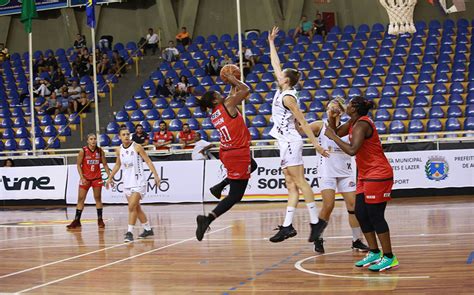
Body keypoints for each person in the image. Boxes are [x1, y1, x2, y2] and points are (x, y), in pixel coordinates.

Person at [267, 27, 329, 244]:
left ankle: (316, 222)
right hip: (285, 142)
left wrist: (316, 146)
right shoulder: (282, 90)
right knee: (291, 185)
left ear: (287, 80)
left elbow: (302, 122)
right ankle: (287, 226)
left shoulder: (289, 98)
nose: (279, 73)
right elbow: (275, 64)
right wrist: (271, 42)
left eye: (282, 74)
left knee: (300, 182)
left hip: (292, 142)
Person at [324, 96, 398, 272]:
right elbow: (336, 131)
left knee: (375, 216)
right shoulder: (353, 121)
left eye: (348, 104)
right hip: (365, 175)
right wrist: (332, 117)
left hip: (378, 174)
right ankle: (374, 251)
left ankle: (389, 257)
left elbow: (352, 150)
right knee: (361, 213)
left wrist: (332, 136)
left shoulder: (362, 124)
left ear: (355, 108)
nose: (346, 106)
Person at [298, 97, 369, 253]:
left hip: (345, 170)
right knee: (328, 206)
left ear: (342, 111)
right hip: (327, 171)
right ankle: (319, 237)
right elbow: (300, 129)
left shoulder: (349, 125)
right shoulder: (319, 125)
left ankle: (357, 240)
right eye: (330, 106)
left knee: (353, 207)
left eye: (336, 107)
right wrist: (295, 115)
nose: (332, 109)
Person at [195, 73, 257, 241]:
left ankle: (220, 185)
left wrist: (232, 82)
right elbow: (245, 89)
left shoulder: (215, 112)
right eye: (217, 94)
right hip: (238, 153)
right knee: (235, 196)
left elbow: (231, 97)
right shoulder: (228, 104)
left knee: (254, 165)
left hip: (226, 152)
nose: (221, 94)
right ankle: (207, 219)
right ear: (215, 100)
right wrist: (233, 79)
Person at [106, 127, 161, 242]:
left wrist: (156, 175)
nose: (126, 136)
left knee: (131, 207)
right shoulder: (118, 150)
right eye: (123, 134)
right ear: (119, 137)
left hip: (139, 182)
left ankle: (129, 232)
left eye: (127, 134)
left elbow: (148, 161)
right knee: (136, 208)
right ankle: (147, 229)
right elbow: (117, 165)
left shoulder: (137, 147)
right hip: (127, 183)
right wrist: (109, 178)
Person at [67, 133, 111, 229]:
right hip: (86, 178)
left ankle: (100, 220)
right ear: (87, 141)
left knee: (98, 198)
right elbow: (78, 165)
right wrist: (82, 177)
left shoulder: (100, 151)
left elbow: (105, 165)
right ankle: (77, 220)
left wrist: (110, 177)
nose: (93, 141)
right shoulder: (83, 151)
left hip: (97, 178)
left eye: (95, 139)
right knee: (80, 199)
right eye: (91, 139)